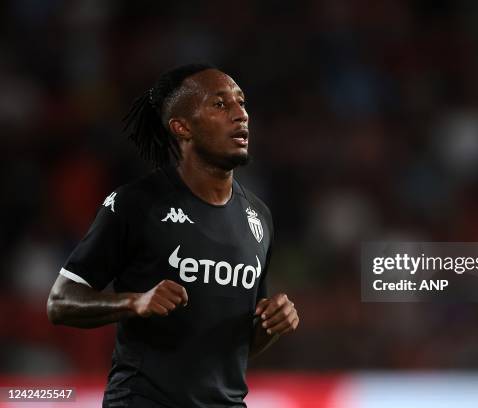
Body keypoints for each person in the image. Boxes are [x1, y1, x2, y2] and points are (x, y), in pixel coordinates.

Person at [46, 64, 299, 408]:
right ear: (182, 128)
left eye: (241, 103)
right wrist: (134, 302)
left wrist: (271, 325)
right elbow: (60, 302)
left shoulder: (259, 217)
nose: (241, 115)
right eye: (220, 105)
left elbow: (238, 345)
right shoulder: (136, 204)